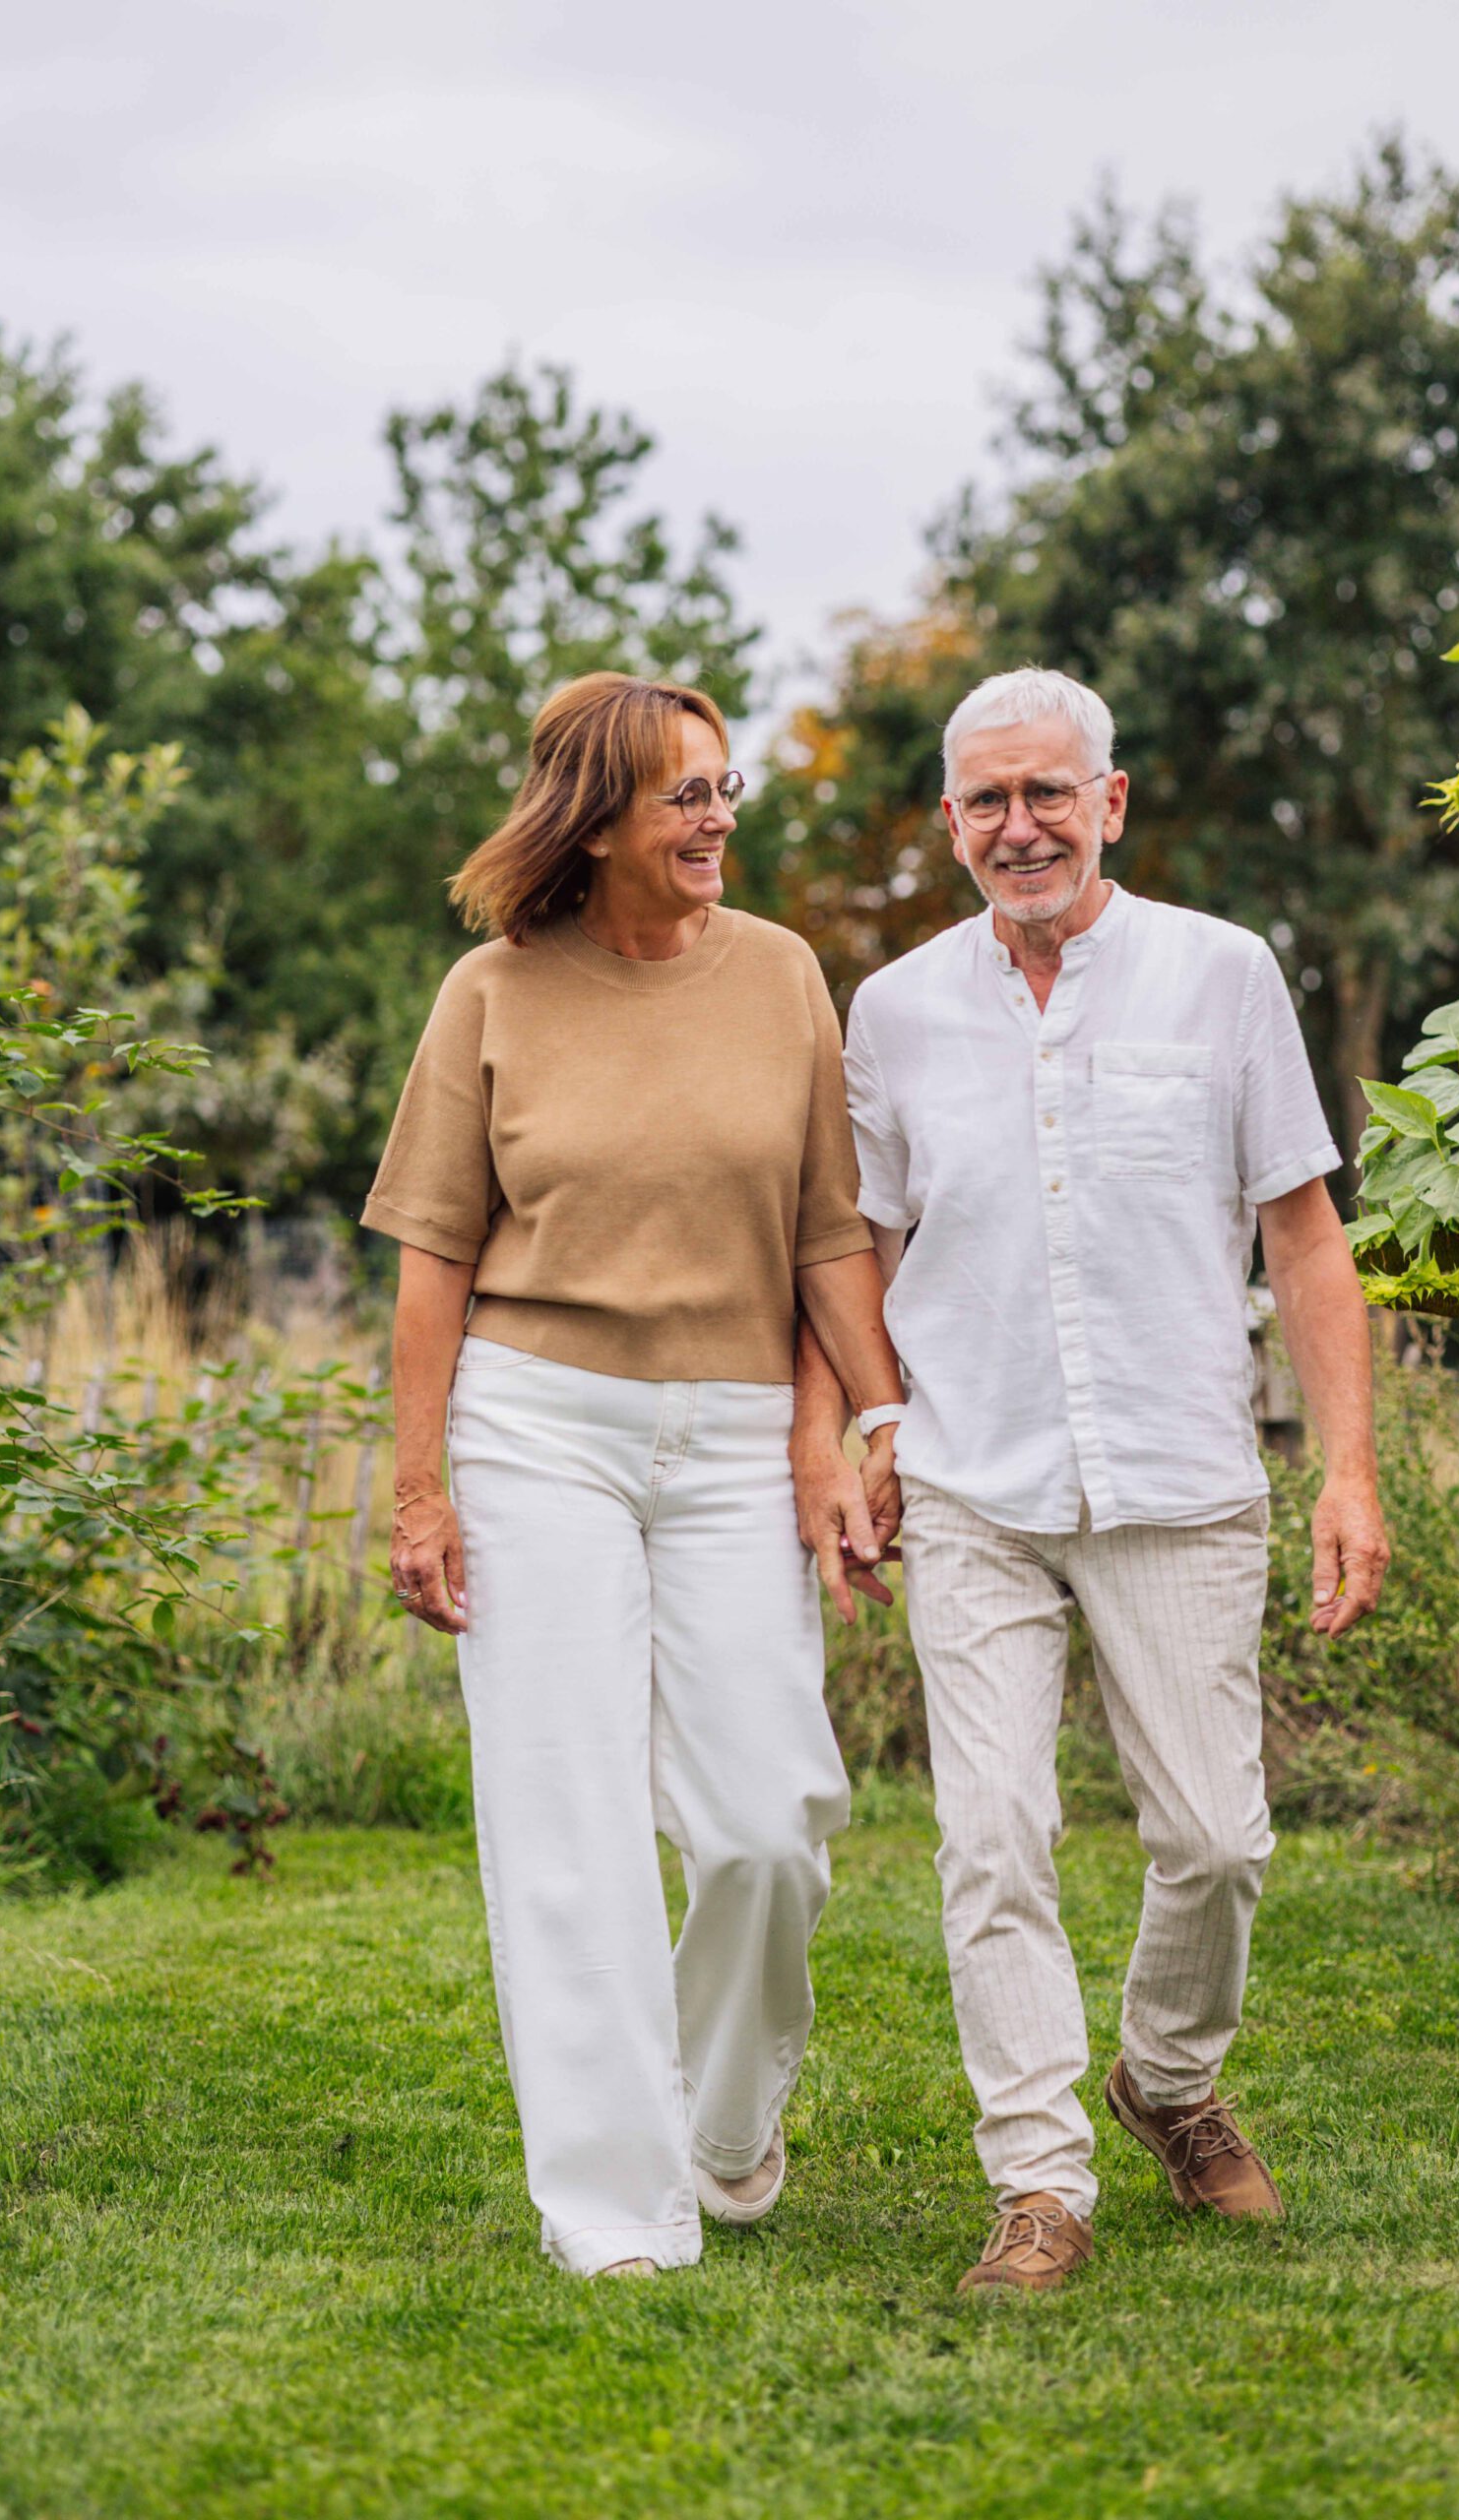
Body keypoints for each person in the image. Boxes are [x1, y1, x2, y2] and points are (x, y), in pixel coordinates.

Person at [792, 665, 1390, 2297]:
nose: (1021, 826)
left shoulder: (1223, 974)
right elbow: (856, 1252)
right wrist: (847, 1434)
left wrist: (1348, 1470)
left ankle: (1169, 2081)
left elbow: (1303, 1235)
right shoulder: (895, 1010)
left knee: (1217, 1840)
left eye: (1048, 792)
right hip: (971, 1482)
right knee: (992, 1839)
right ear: (950, 824)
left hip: (1180, 1473)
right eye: (987, 800)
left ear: (1109, 801)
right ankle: (1039, 2182)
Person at [364, 671, 904, 2279]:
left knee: (770, 1822)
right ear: (595, 821)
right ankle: (612, 2210)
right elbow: (433, 1255)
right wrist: (417, 1489)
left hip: (737, 1433)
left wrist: (875, 1424)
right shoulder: (491, 992)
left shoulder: (784, 975)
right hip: (538, 1429)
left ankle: (725, 2120)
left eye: (726, 788)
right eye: (686, 795)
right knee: (569, 1820)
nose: (719, 817)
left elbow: (828, 1233)